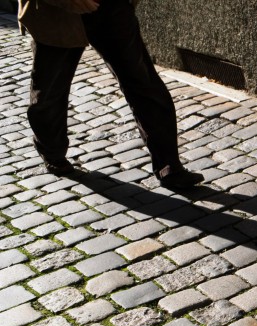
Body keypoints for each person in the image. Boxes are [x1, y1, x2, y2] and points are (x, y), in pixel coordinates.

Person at [17, 0, 203, 188]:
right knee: (49, 91)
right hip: (56, 11)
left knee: (142, 81)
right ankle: (52, 152)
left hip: (110, 6)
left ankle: (169, 166)